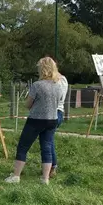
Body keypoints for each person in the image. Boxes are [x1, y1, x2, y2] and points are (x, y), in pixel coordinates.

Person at [5, 57, 65, 185]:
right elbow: (59, 102)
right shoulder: (58, 86)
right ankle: (45, 178)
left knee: (23, 146)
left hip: (35, 120)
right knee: (47, 148)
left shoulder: (37, 85)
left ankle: (16, 176)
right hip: (52, 120)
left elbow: (28, 104)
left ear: (42, 69)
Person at [49, 67, 69, 179]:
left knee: (48, 141)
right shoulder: (64, 79)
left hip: (52, 112)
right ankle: (49, 166)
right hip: (59, 111)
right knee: (48, 140)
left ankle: (52, 166)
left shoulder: (53, 81)